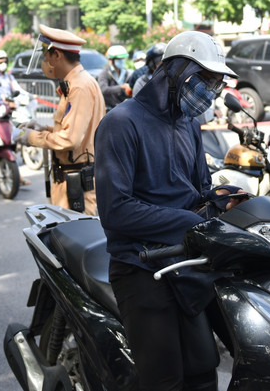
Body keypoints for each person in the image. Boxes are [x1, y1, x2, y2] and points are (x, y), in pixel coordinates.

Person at [95, 30, 244, 391]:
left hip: (188, 265)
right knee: (164, 382)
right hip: (142, 266)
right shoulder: (121, 123)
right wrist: (191, 221)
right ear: (175, 73)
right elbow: (116, 211)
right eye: (204, 81)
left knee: (203, 373)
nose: (209, 92)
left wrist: (225, 200)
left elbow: (199, 191)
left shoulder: (189, 124)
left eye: (216, 84)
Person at [16, 25, 105, 214]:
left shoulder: (79, 87)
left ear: (57, 55)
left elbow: (71, 139)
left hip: (76, 181)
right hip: (70, 179)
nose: (44, 60)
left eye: (45, 55)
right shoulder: (74, 83)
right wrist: (44, 129)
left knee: (74, 237)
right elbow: (72, 128)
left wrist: (31, 137)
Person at [97, 44, 132, 108]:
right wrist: (121, 87)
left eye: (123, 58)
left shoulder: (126, 73)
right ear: (112, 60)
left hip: (123, 107)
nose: (121, 61)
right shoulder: (105, 73)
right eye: (119, 59)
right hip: (109, 108)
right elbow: (103, 89)